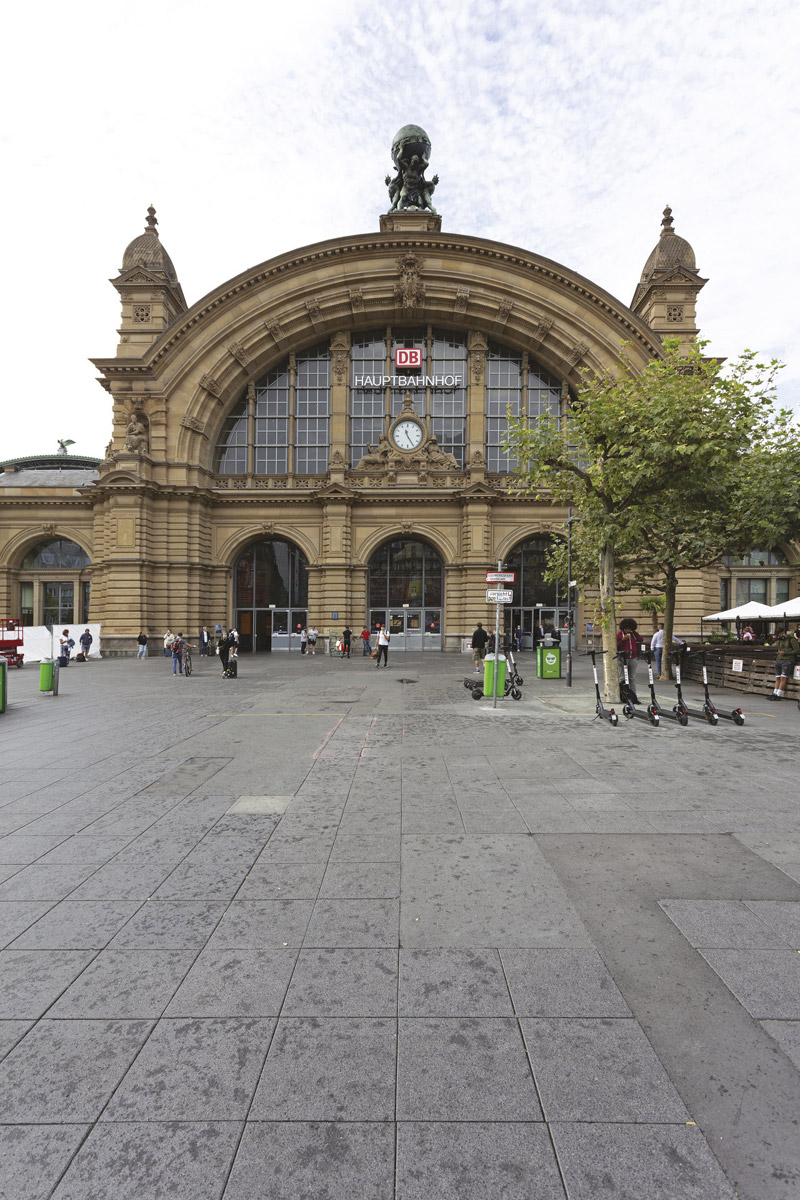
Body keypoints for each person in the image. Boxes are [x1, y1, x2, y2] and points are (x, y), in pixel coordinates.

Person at [767, 626, 800, 701]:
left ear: (783, 633)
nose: (778, 637)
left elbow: (797, 651)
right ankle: (774, 693)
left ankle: (778, 694)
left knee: (783, 677)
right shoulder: (780, 640)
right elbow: (769, 644)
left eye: (779, 635)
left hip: (788, 660)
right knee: (778, 677)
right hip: (779, 660)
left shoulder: (791, 640)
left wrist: (785, 653)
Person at [616, 618, 644, 702]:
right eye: (626, 628)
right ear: (623, 628)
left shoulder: (634, 634)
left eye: (630, 628)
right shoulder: (619, 635)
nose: (628, 630)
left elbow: (641, 639)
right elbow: (616, 646)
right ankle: (623, 695)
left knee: (632, 678)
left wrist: (634, 633)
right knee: (622, 678)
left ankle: (633, 696)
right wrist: (622, 640)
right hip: (622, 658)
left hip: (633, 658)